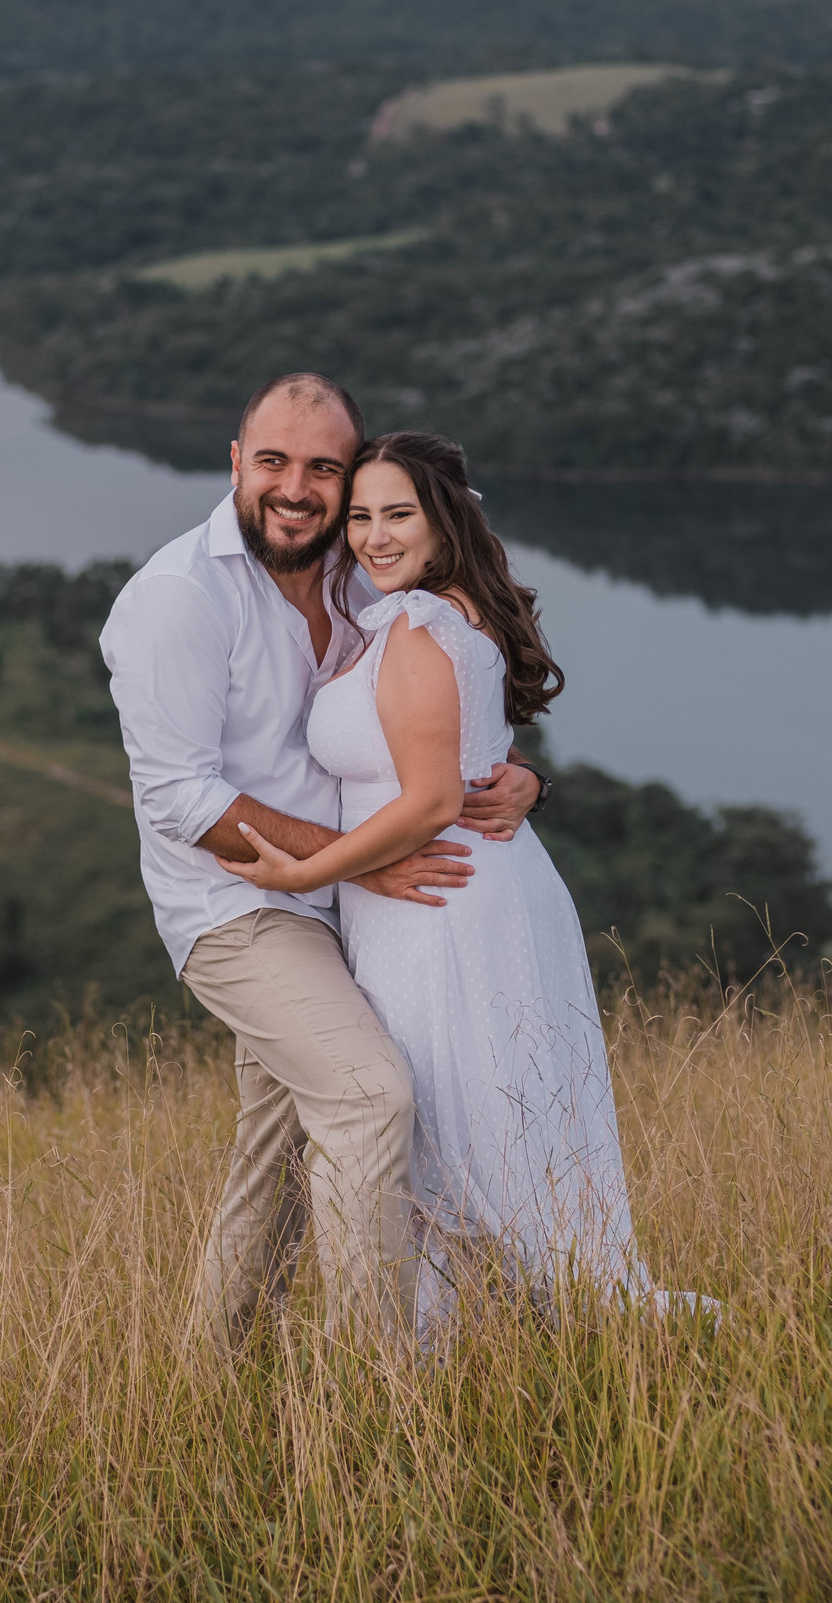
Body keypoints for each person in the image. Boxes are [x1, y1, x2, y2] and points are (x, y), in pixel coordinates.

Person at [99, 378, 542, 1352]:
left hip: (356, 898)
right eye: (274, 461)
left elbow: (443, 701)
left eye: (324, 468)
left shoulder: (364, 568)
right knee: (368, 1095)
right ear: (235, 462)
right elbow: (179, 798)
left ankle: (213, 1380)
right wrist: (339, 863)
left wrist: (520, 782)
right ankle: (376, 1389)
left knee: (282, 1144)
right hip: (241, 906)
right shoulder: (178, 599)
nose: (296, 488)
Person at [217, 430, 642, 1333]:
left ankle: (478, 1344)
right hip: (450, 895)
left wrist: (310, 870)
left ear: (444, 519)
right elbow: (473, 752)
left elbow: (433, 797)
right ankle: (501, 1337)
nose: (373, 536)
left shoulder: (420, 624)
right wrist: (526, 776)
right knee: (473, 1127)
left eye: (397, 514)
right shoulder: (423, 615)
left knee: (463, 1130)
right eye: (361, 516)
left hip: (443, 902)